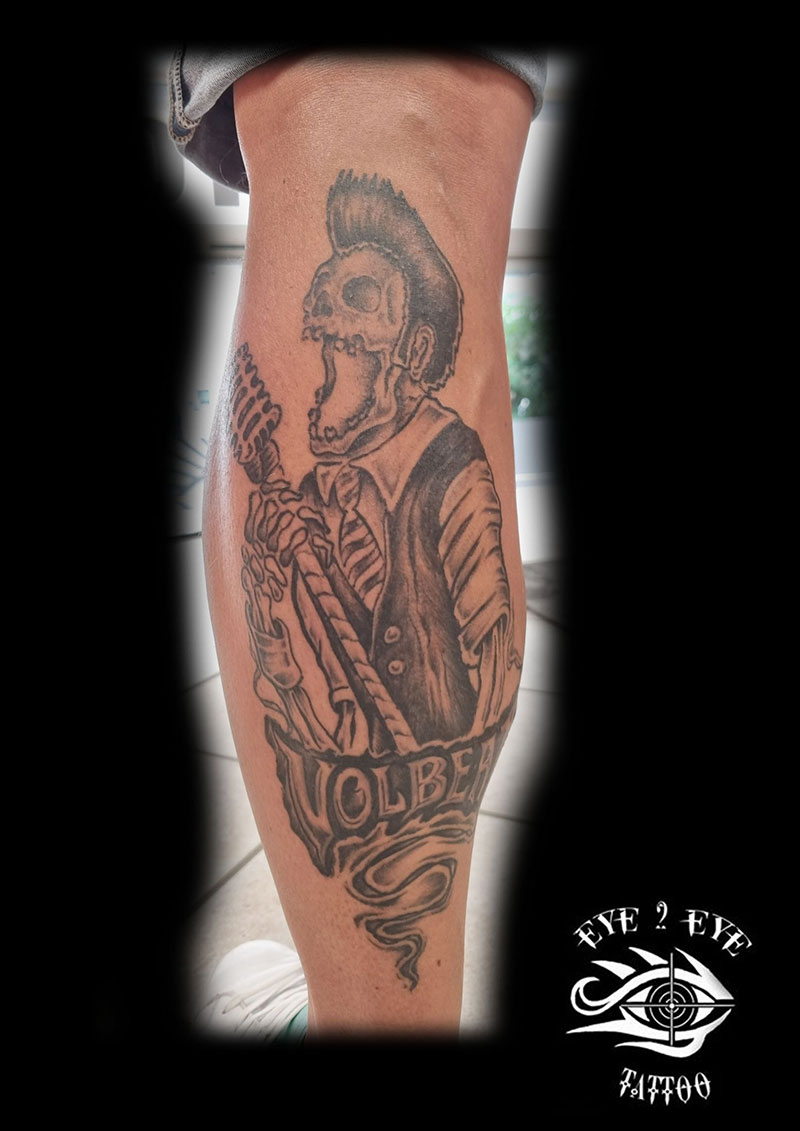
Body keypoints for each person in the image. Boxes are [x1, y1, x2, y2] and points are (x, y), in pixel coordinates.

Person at [169, 45, 546, 1040]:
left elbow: (471, 648)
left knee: (373, 97)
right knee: (420, 111)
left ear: (412, 350)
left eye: (356, 306)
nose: (324, 320)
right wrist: (281, 564)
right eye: (327, 300)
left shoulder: (442, 476)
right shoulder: (329, 490)